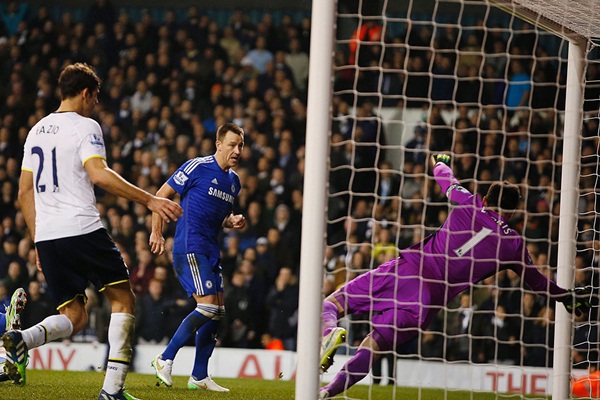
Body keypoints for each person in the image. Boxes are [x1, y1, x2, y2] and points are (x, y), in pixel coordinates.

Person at [318, 154, 591, 399]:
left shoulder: (469, 202)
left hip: (407, 271)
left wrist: (440, 160)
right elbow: (537, 282)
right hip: (428, 301)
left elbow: (445, 179)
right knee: (373, 346)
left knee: (332, 304)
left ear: (486, 200)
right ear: (513, 213)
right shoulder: (513, 244)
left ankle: (330, 332)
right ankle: (327, 393)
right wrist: (566, 296)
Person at [8, 63, 182, 400]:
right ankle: (112, 389)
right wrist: (150, 200)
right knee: (123, 299)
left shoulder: (37, 130)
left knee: (74, 315)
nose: (96, 104)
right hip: (82, 227)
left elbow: (23, 192)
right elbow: (99, 174)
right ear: (86, 93)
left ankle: (21, 340)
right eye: (96, 97)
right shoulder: (86, 126)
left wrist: (38, 241)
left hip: (48, 235)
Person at [149, 122, 246, 392]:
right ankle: (164, 358)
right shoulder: (197, 167)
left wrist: (232, 220)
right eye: (231, 145)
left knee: (217, 312)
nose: (237, 150)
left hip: (210, 250)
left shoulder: (234, 182)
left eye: (240, 146)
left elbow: (219, 216)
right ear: (218, 144)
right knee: (208, 308)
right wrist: (157, 232)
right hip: (190, 246)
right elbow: (160, 196)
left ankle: (199, 376)